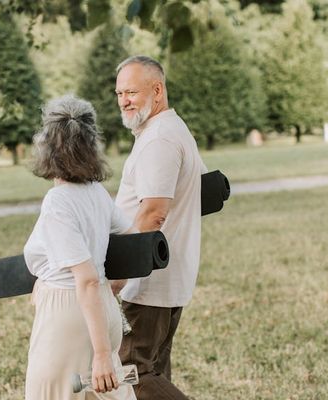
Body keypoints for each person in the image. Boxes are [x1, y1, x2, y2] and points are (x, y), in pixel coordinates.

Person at [24, 94, 137, 400]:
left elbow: (84, 277)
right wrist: (115, 283)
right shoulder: (96, 192)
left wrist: (101, 354)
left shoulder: (58, 202)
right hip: (103, 310)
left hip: (69, 319)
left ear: (46, 144)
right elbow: (131, 235)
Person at [112, 55, 207, 400]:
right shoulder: (168, 130)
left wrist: (119, 276)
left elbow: (153, 213)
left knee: (131, 371)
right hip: (164, 275)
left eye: (132, 92)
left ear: (157, 89)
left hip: (149, 279)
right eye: (119, 93)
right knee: (153, 369)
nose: (124, 101)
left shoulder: (159, 140)